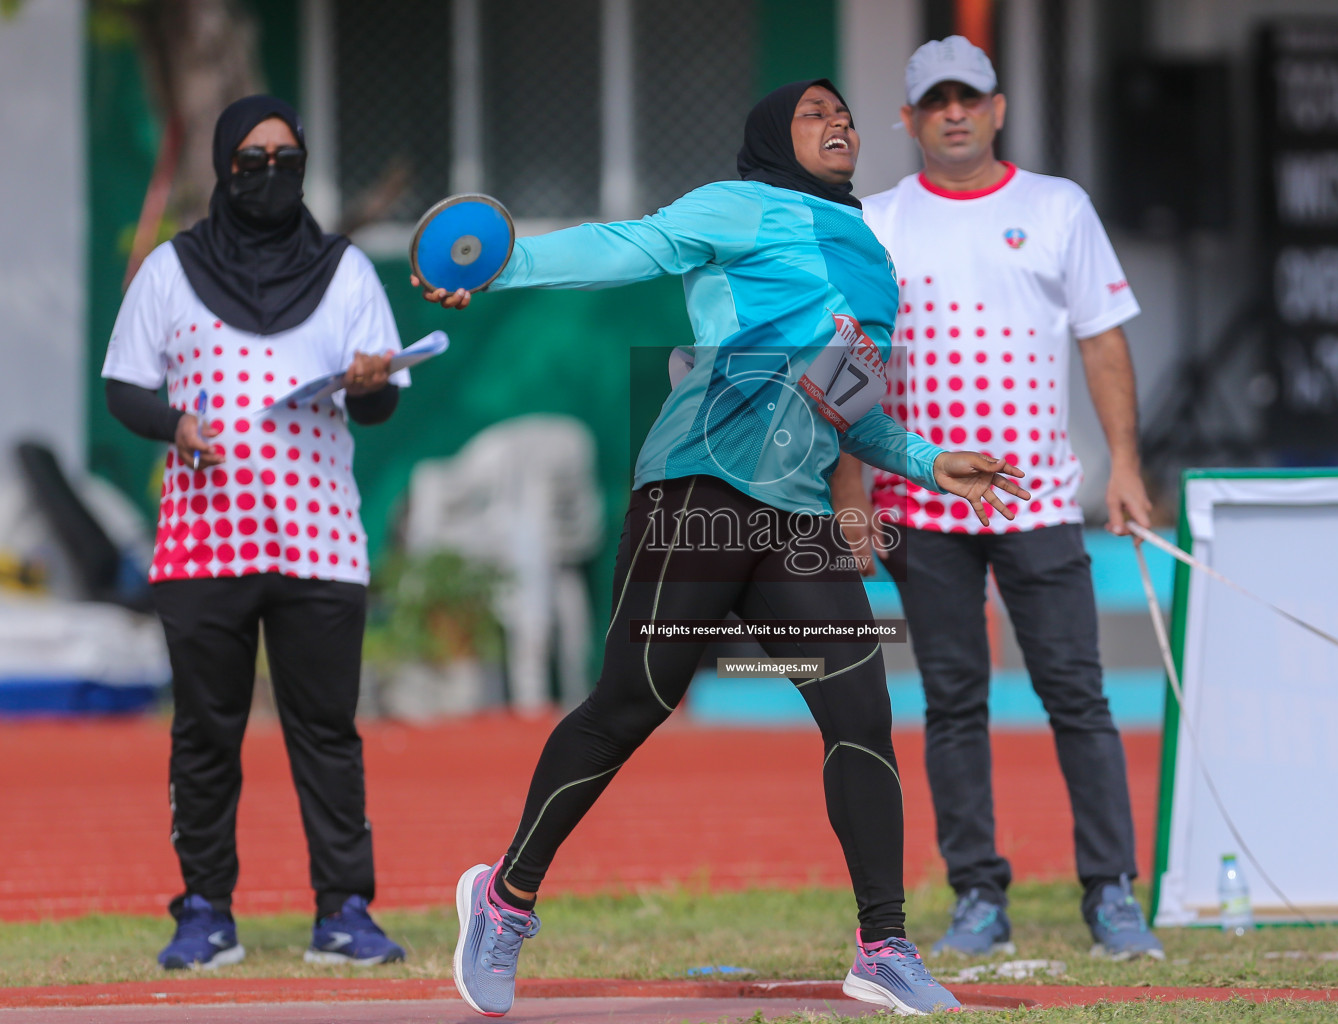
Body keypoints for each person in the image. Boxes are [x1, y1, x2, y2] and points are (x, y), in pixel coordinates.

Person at [416, 79, 1030, 1017]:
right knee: (632, 703)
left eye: (846, 115)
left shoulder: (871, 259)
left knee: (860, 711)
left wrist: (930, 460)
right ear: (771, 137)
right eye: (814, 113)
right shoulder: (738, 204)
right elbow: (627, 248)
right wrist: (497, 266)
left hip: (794, 511)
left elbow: (845, 404)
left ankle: (884, 946)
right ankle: (503, 899)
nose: (839, 124)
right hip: (700, 480)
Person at [834, 36, 1163, 960]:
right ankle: (977, 892)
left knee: (1077, 697)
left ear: (998, 108)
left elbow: (1102, 341)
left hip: (1038, 504)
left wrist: (1126, 466)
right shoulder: (878, 221)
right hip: (924, 510)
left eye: (968, 97)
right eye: (934, 100)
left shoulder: (1058, 208)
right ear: (906, 119)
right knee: (953, 701)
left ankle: (1111, 892)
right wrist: (851, 492)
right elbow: (851, 364)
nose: (953, 112)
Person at [102, 95, 409, 970]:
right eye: (252, 159)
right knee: (205, 733)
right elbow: (125, 386)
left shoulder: (346, 272)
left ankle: (344, 912)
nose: (271, 174)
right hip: (204, 546)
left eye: (287, 158)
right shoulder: (171, 270)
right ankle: (205, 912)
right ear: (223, 165)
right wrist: (175, 427)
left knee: (326, 731)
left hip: (320, 545)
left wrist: (366, 380)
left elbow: (381, 403)